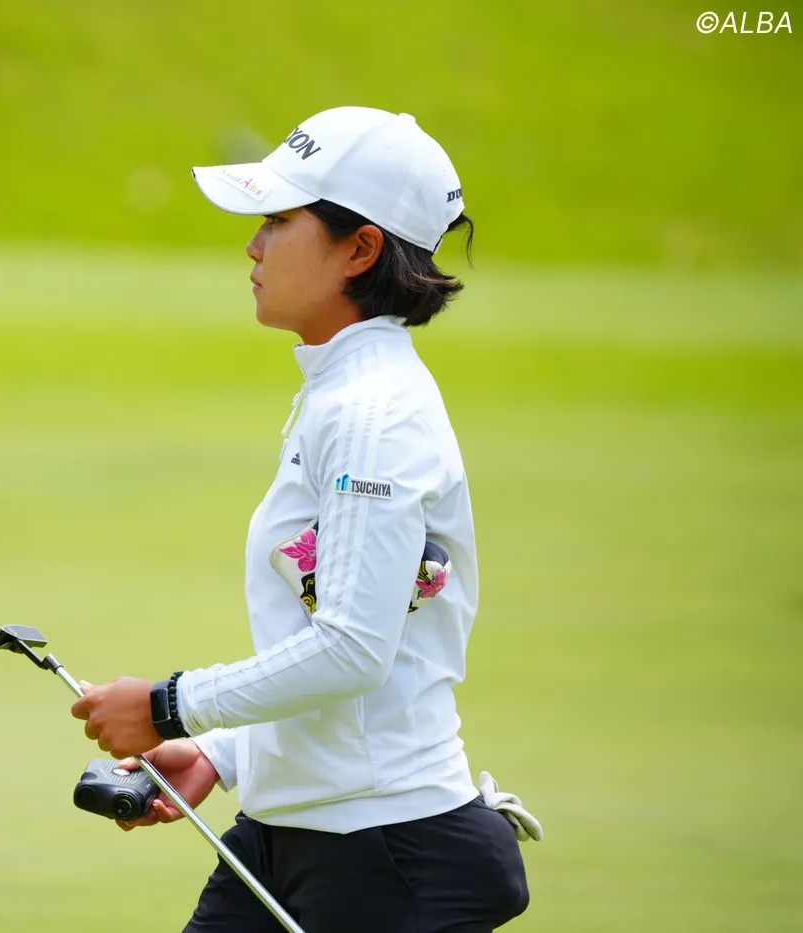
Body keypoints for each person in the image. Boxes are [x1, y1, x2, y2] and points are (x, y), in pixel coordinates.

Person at [69, 107, 540, 932]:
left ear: (360, 249)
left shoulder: (372, 415)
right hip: (298, 836)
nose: (253, 247)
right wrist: (223, 752)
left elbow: (353, 648)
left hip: (383, 855)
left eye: (279, 221)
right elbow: (333, 638)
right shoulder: (341, 393)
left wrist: (170, 705)